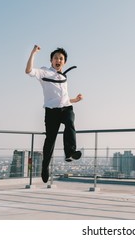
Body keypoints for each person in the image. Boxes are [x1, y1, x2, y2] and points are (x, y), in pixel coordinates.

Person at [25, 45, 83, 183]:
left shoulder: (64, 76)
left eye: (61, 58)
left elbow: (63, 97)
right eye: (56, 58)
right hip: (51, 111)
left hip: (66, 108)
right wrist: (33, 53)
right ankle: (45, 168)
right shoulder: (44, 72)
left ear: (64, 62)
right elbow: (28, 71)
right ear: (51, 60)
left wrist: (75, 100)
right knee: (50, 140)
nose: (58, 60)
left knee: (70, 122)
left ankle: (69, 152)